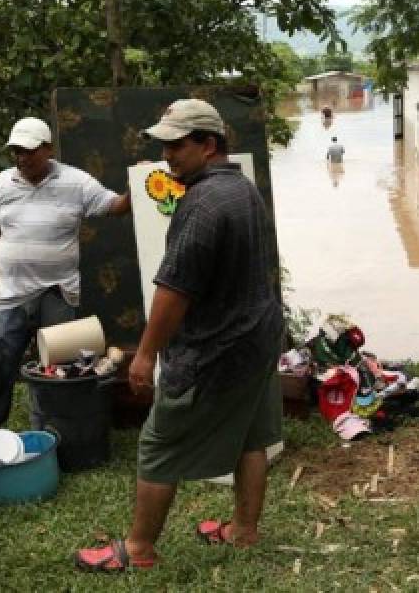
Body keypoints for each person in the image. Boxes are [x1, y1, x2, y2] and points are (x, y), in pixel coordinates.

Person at [74, 98, 282, 573]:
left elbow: (173, 291)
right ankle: (244, 531)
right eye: (164, 145)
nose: (167, 155)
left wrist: (145, 355)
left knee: (158, 443)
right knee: (252, 436)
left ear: (208, 145)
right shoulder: (242, 189)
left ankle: (139, 549)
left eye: (176, 146)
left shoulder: (202, 204)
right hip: (260, 337)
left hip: (216, 350)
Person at [0, 117, 132, 445]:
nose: (22, 158)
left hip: (57, 291)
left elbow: (116, 206)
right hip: (9, 292)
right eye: (16, 152)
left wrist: (139, 183)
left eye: (28, 151)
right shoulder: (1, 183)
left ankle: (59, 435)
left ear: (48, 149)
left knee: (60, 368)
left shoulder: (76, 182)